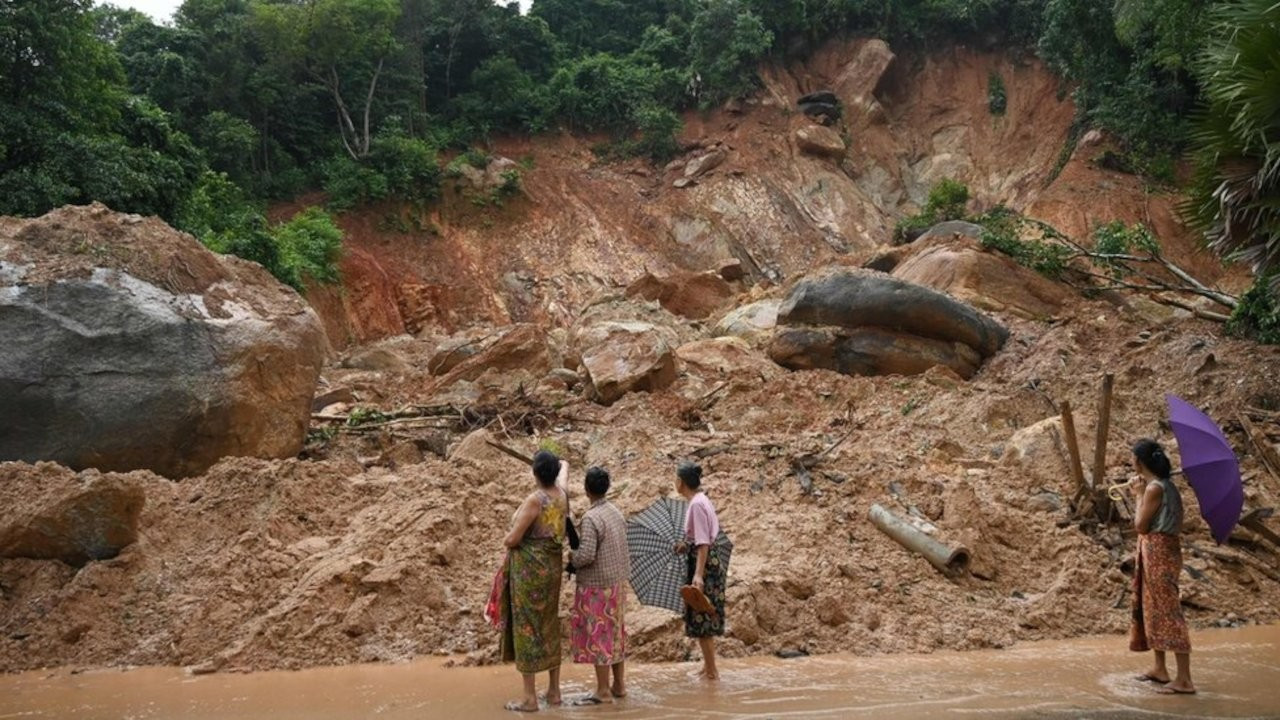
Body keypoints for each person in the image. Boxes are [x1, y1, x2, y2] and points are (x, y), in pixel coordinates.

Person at [500, 450, 569, 712]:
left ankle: (529, 697)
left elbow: (513, 539)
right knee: (549, 624)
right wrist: (562, 464)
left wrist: (508, 534)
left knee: (527, 628)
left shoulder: (535, 500)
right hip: (552, 571)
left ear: (535, 473)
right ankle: (554, 690)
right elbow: (565, 471)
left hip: (530, 574)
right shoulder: (562, 494)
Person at [1128, 438, 1196, 695]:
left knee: (1167, 609)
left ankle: (1185, 679)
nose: (1130, 461)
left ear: (1139, 461)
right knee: (1152, 606)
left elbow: (1140, 525)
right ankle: (1160, 668)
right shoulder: (1164, 485)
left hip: (1158, 550)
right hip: (1161, 550)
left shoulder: (1155, 488)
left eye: (1132, 457)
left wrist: (1137, 496)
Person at [568, 466, 630, 704]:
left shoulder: (591, 518)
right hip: (617, 582)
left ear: (586, 490)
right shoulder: (615, 511)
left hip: (597, 587)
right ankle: (619, 685)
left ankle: (603, 690)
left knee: (599, 635)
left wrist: (571, 558)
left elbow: (586, 556)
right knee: (615, 634)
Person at [674, 461, 725, 680]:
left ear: (681, 482)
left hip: (704, 563)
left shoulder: (696, 504)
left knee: (702, 613)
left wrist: (698, 574)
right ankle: (708, 667)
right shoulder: (701, 500)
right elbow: (700, 538)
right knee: (702, 611)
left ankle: (712, 671)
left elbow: (703, 542)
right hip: (708, 559)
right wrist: (685, 545)